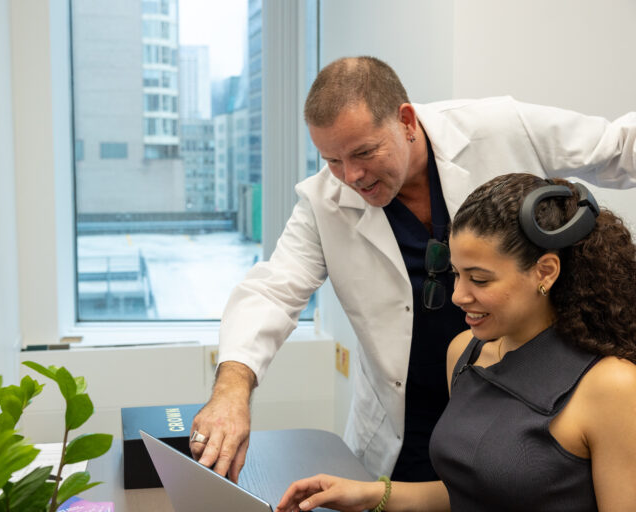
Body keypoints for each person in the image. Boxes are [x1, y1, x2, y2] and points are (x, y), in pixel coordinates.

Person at [189, 56, 636, 484]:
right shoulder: (324, 203)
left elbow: (618, 149)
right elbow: (273, 291)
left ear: (406, 121)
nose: (351, 176)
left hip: (521, 407)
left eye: (365, 152)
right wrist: (232, 388)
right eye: (332, 160)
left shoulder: (498, 127)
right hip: (407, 424)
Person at [274, 173, 636, 512]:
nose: (458, 295)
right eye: (455, 274)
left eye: (479, 279)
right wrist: (370, 493)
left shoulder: (610, 386)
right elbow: (472, 491)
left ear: (545, 272)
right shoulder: (464, 353)